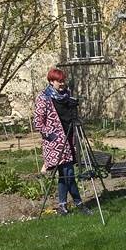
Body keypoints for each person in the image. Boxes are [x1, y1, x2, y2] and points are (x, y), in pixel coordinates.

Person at [33, 67, 90, 215]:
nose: (62, 83)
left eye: (63, 80)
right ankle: (79, 203)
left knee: (64, 174)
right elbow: (38, 122)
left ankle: (63, 206)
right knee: (68, 173)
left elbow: (69, 115)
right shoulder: (44, 98)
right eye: (59, 81)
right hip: (55, 142)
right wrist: (49, 134)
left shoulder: (66, 95)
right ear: (51, 81)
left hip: (70, 137)